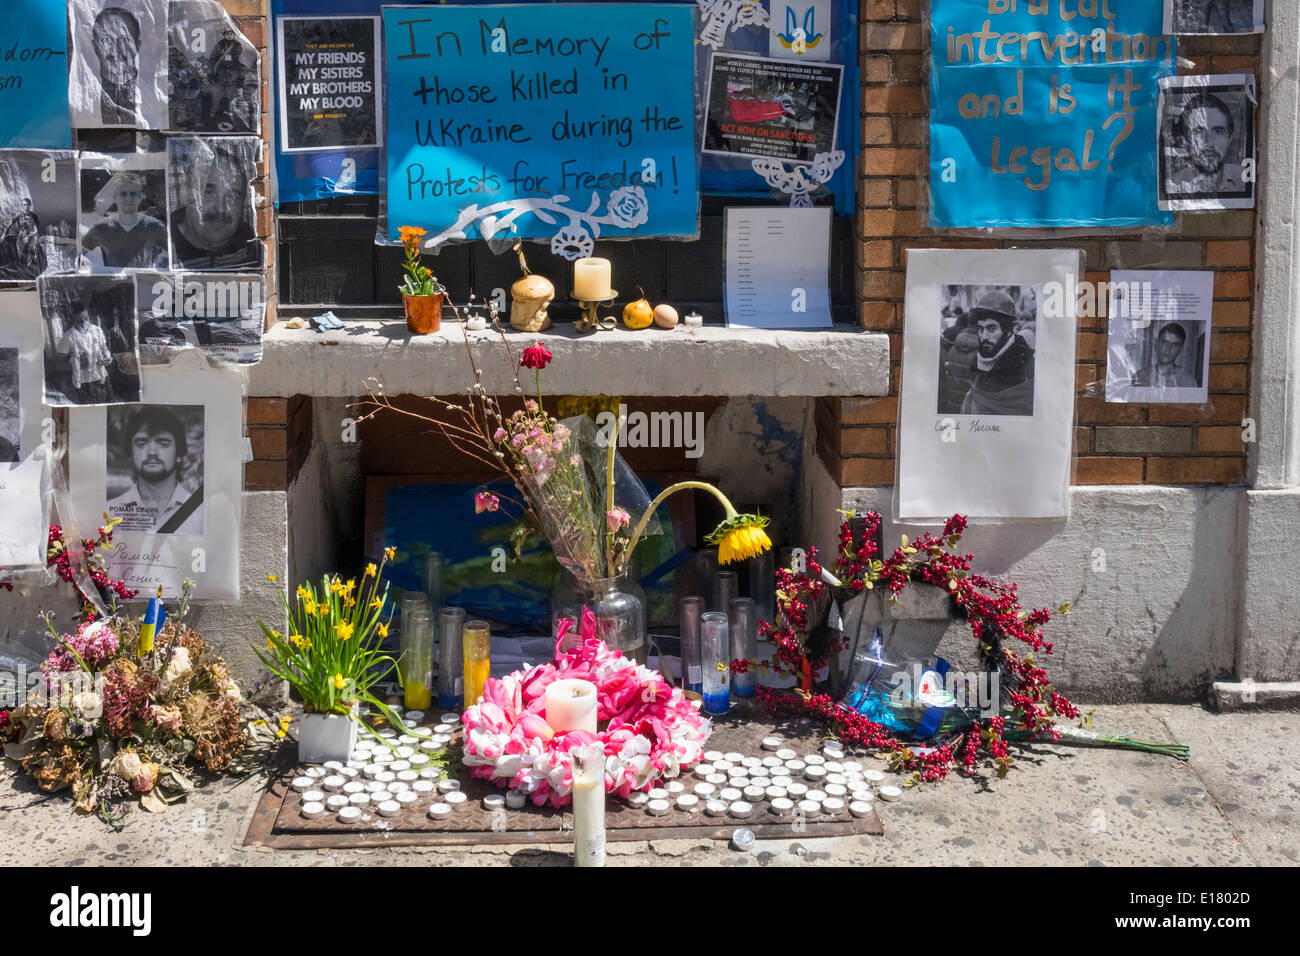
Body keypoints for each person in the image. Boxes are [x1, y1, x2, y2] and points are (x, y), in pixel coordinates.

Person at [106, 406, 203, 534]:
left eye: (163, 444)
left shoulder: (200, 514)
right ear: (131, 454)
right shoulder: (109, 513)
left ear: (179, 453)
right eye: (141, 444)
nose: (152, 452)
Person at [169, 143, 260, 270]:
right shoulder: (160, 242)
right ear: (186, 193)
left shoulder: (251, 242)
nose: (220, 209)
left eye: (233, 196)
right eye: (208, 192)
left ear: (242, 206)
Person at [959, 290, 1036, 417]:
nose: (984, 336)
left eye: (991, 328)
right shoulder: (977, 365)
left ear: (1009, 331)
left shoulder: (1028, 366)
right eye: (981, 329)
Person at [82, 173, 168, 269]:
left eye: (133, 194)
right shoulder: (101, 228)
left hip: (146, 282)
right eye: (123, 194)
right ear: (115, 198)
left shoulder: (155, 226)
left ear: (140, 197)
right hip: (114, 283)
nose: (128, 198)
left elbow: (171, 260)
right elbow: (79, 256)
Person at [1167, 92, 1244, 194]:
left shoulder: (1244, 180)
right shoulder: (1173, 186)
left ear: (1229, 138)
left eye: (1218, 131)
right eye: (1199, 132)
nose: (1209, 142)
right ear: (1186, 140)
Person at [54, 298, 114, 405]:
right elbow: (57, 365)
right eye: (80, 321)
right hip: (85, 383)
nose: (85, 323)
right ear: (72, 319)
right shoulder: (68, 337)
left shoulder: (97, 330)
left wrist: (108, 359)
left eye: (87, 318)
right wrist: (79, 365)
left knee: (111, 407)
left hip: (103, 378)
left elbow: (105, 350)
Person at [91, 6, 141, 126]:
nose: (115, 51)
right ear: (94, 46)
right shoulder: (87, 94)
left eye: (124, 40)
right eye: (106, 40)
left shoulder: (149, 94)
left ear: (138, 45)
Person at [1133, 323, 1200, 389]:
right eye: (1164, 342)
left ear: (1181, 350)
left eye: (1174, 345)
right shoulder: (1140, 376)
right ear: (1156, 343)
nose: (1168, 349)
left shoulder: (1188, 381)